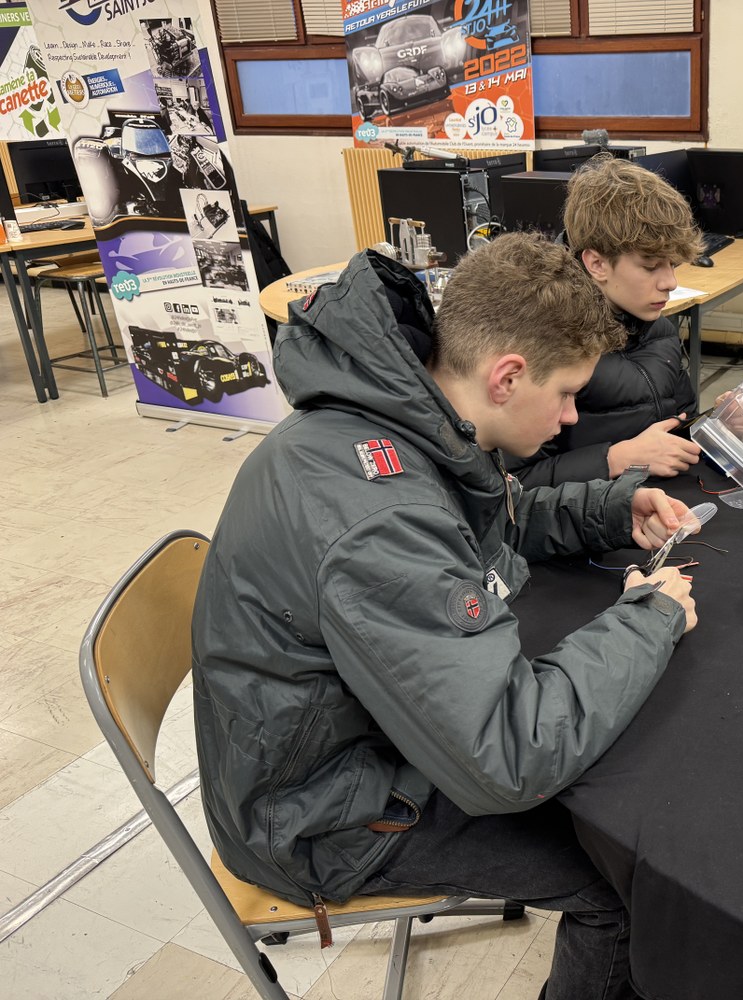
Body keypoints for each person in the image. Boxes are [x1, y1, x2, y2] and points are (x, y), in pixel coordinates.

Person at [192, 233, 699, 1000]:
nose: (570, 418)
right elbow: (508, 755)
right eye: (566, 394)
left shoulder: (404, 414)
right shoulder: (378, 516)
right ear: (507, 377)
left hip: (336, 753)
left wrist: (607, 508)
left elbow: (477, 520)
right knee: (624, 883)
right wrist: (647, 618)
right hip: (320, 820)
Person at [505, 156, 704, 486]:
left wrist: (722, 427)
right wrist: (617, 459)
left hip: (658, 498)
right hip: (588, 511)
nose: (670, 282)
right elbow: (513, 483)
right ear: (597, 264)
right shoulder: (544, 343)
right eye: (651, 266)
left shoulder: (657, 328)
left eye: (673, 265)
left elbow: (681, 425)